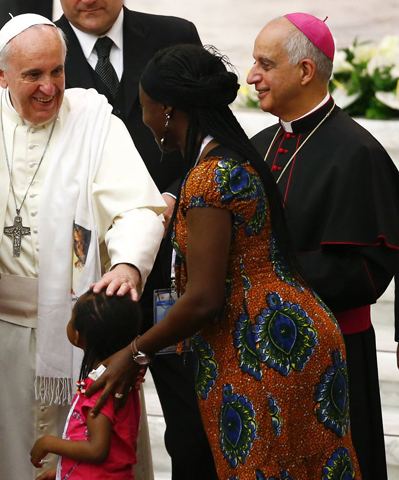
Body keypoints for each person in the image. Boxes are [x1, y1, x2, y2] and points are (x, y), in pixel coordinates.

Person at [0, 14, 167, 480]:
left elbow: (137, 209)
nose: (49, 88)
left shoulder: (93, 120)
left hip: (75, 331)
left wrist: (128, 265)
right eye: (32, 75)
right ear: (0, 72)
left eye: (57, 72)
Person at [86, 44, 362, 479]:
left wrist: (135, 352)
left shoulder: (208, 177)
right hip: (286, 332)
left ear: (169, 110)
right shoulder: (229, 155)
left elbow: (205, 298)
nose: (144, 117)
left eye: (145, 106)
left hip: (262, 346)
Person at [55, 3, 217, 478]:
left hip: (173, 267)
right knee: (90, 418)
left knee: (189, 421)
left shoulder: (174, 34)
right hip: (87, 287)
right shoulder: (39, 48)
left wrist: (172, 193)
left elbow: (209, 128)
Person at [247, 14, 399, 480]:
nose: (251, 76)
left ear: (306, 72)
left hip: (334, 352)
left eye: (265, 64)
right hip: (261, 352)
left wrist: (267, 278)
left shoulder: (359, 153)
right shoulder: (259, 143)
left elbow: (367, 271)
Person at [30, 291, 143, 480]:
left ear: (77, 334)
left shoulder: (100, 387)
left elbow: (97, 450)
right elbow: (119, 447)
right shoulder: (125, 382)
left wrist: (47, 442)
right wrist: (61, 472)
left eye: (72, 316)